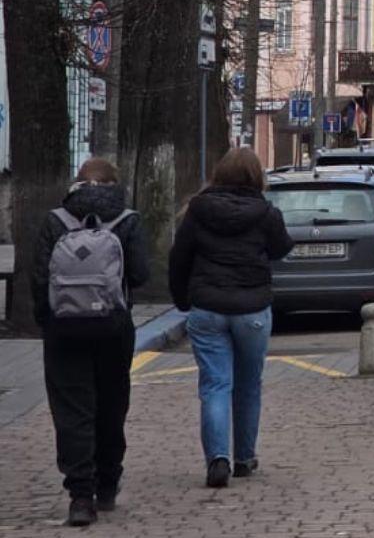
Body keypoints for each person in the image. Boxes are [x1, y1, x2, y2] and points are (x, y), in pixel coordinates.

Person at [29, 157, 150, 527]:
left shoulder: (55, 220)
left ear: (76, 183)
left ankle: (80, 496)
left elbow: (38, 279)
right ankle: (108, 481)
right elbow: (141, 275)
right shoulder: (127, 219)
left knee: (71, 409)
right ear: (114, 184)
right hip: (113, 328)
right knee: (112, 403)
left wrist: (46, 322)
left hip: (64, 329)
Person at [168, 147, 293, 490]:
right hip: (252, 307)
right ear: (257, 177)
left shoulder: (198, 209)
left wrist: (182, 300)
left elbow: (179, 258)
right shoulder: (265, 212)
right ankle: (244, 458)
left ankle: (217, 459)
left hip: (207, 307)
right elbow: (283, 247)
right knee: (249, 385)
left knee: (215, 385)